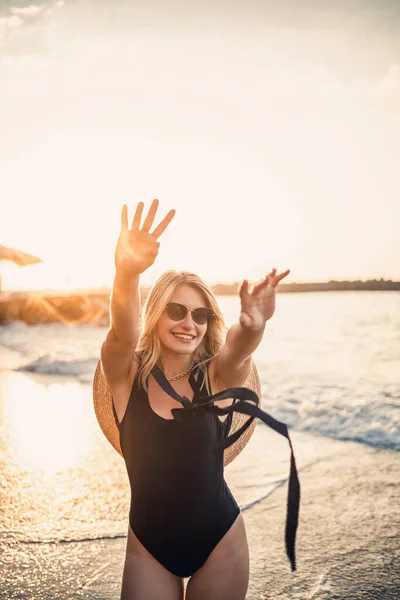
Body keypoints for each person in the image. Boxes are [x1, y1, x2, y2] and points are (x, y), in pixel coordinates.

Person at [99, 198, 299, 600]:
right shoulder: (125, 376)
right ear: (156, 314)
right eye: (176, 310)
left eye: (200, 315)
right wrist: (126, 274)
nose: (188, 323)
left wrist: (253, 325)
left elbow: (237, 351)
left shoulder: (216, 376)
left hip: (220, 543)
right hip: (149, 549)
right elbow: (122, 331)